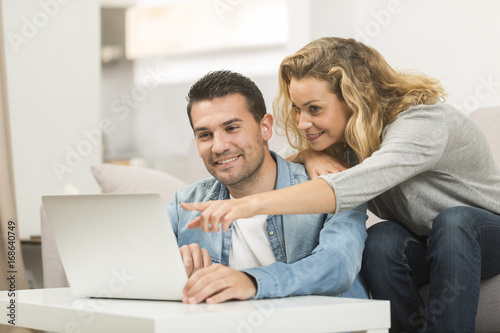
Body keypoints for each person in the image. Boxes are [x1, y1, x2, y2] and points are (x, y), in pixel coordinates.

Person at [182, 38, 500, 332]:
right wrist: (307, 155)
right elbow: (271, 166)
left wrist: (247, 205)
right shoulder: (350, 141)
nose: (302, 122)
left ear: (354, 99)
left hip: (484, 236)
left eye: (314, 109)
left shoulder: (424, 125)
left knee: (455, 221)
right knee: (382, 239)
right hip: (430, 243)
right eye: (298, 109)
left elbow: (353, 183)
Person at [168, 70, 368, 305]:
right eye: (205, 135)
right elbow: (129, 264)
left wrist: (252, 281)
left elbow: (338, 265)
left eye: (232, 128)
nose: (219, 146)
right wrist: (168, 266)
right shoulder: (185, 204)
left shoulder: (330, 186)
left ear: (265, 127)